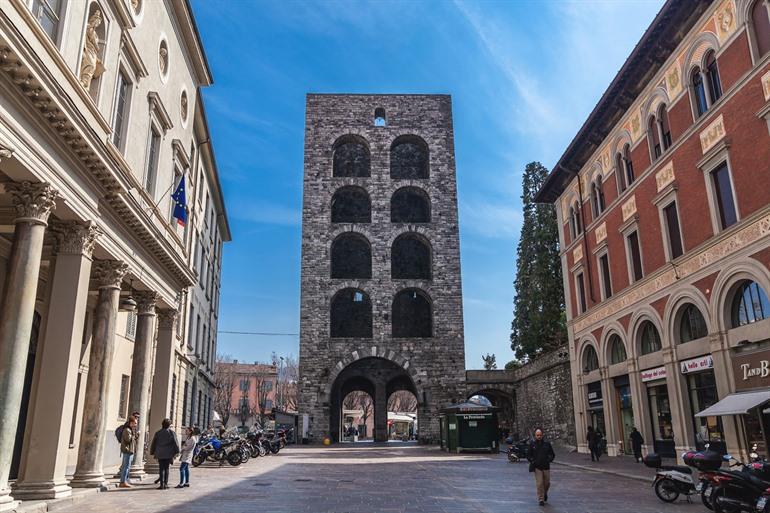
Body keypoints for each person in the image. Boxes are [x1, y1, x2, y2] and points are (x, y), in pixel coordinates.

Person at [527, 429, 555, 506]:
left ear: (542, 435)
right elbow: (528, 455)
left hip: (546, 467)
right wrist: (532, 461)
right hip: (537, 467)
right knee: (539, 483)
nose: (539, 436)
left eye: (540, 435)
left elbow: (552, 454)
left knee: (547, 483)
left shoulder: (547, 444)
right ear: (535, 436)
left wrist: (549, 460)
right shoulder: (532, 444)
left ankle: (545, 493)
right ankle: (541, 499)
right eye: (537, 435)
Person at [149, 418, 180, 490]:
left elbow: (154, 443)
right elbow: (176, 443)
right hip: (169, 454)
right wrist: (177, 452)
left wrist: (152, 451)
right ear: (169, 425)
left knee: (161, 468)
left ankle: (161, 485)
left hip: (160, 453)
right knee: (166, 469)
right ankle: (165, 484)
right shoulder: (172, 433)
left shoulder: (158, 433)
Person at [118, 416, 138, 488]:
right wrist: (136, 435)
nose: (136, 425)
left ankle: (125, 481)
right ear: (131, 423)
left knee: (127, 466)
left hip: (130, 450)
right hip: (127, 450)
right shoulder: (127, 430)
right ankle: (122, 482)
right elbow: (128, 440)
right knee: (125, 467)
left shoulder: (130, 430)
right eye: (135, 423)